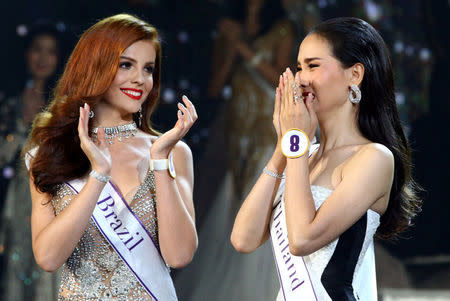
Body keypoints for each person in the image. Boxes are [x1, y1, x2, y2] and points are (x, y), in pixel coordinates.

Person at [231, 17, 421, 301]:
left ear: (355, 75)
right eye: (299, 68)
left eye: (313, 66)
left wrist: (296, 142)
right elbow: (243, 239)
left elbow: (302, 239)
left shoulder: (374, 158)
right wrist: (285, 146)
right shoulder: (301, 153)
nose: (301, 79)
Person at [23, 14, 198, 300]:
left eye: (148, 69)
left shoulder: (173, 152)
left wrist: (160, 161)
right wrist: (98, 176)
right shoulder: (50, 152)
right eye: (126, 65)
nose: (140, 79)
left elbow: (179, 255)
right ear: (95, 67)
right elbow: (48, 258)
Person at [174, 1, 295, 300]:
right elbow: (216, 86)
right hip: (238, 129)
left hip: (269, 130)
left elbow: (280, 78)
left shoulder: (282, 28)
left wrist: (242, 47)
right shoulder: (230, 26)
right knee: (234, 200)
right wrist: (230, 45)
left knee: (264, 195)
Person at [0, 22, 62, 301]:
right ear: (27, 54)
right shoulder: (10, 103)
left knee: (46, 269)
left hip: (52, 198)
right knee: (15, 264)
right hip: (15, 198)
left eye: (50, 51)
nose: (42, 58)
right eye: (37, 49)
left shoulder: (63, 107)